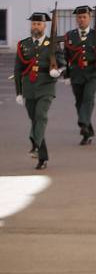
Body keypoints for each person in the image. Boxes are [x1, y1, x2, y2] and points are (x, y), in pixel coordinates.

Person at [14, 12, 66, 170]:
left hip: (46, 86)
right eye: (33, 24)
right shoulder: (24, 45)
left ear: (45, 26)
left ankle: (35, 144)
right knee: (35, 120)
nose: (35, 26)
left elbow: (63, 63)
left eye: (39, 24)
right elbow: (18, 69)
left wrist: (58, 71)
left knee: (41, 116)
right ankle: (42, 156)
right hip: (29, 86)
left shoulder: (53, 44)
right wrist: (19, 92)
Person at [63, 5, 96, 146]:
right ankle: (87, 130)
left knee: (88, 98)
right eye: (79, 17)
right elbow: (66, 57)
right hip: (76, 73)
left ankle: (82, 122)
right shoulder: (70, 35)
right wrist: (66, 75)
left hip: (93, 71)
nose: (81, 20)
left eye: (84, 17)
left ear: (89, 18)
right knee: (79, 102)